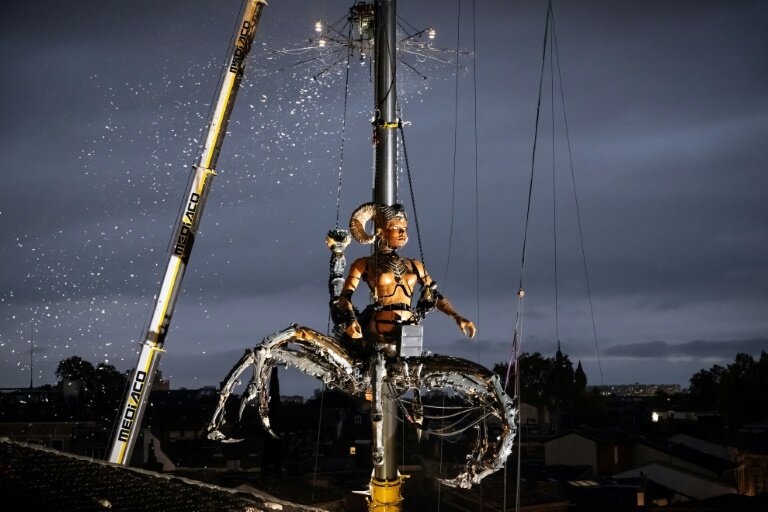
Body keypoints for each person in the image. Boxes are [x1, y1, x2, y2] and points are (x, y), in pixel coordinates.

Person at [334, 202, 476, 341]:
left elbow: (434, 295)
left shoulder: (414, 264)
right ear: (381, 232)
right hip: (377, 333)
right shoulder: (364, 263)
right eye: (396, 227)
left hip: (410, 332)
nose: (402, 232)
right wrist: (350, 319)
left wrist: (456, 316)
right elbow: (344, 297)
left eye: (405, 228)